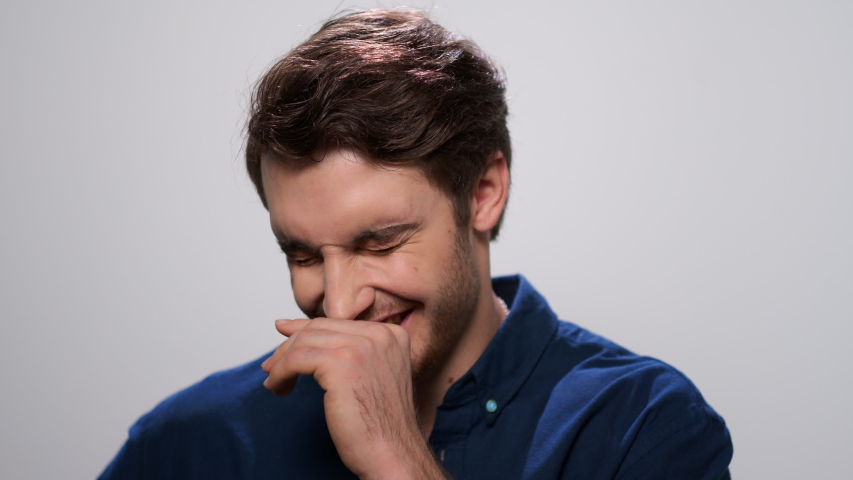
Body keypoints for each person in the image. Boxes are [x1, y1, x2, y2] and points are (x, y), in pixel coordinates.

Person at [100, 8, 733, 480]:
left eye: (379, 243)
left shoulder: (643, 429)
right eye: (302, 255)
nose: (341, 304)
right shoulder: (188, 442)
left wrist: (398, 460)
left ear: (483, 193)